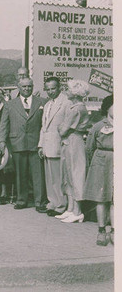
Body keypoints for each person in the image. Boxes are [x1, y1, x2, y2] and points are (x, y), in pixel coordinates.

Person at [0, 78, 47, 211]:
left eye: (29, 86)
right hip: (17, 142)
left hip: (36, 143)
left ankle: (40, 202)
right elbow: (4, 125)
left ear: (32, 87)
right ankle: (21, 200)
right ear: (18, 88)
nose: (26, 89)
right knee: (20, 173)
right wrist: (1, 141)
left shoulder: (42, 102)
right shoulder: (10, 104)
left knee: (38, 175)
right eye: (24, 87)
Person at [56, 80, 90, 223]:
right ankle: (70, 208)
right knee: (68, 173)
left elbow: (63, 129)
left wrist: (61, 127)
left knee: (76, 174)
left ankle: (78, 211)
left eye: (68, 89)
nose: (66, 91)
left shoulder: (76, 109)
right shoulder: (75, 106)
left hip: (74, 141)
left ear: (75, 93)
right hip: (70, 141)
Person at [38, 77, 71, 217]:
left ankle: (61, 205)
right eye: (48, 89)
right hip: (47, 146)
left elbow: (68, 124)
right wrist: (40, 145)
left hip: (58, 145)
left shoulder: (66, 102)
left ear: (59, 88)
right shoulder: (47, 105)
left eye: (53, 88)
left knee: (59, 178)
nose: (50, 92)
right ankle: (52, 202)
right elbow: (43, 127)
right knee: (50, 178)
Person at [83, 95, 113, 245]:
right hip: (101, 163)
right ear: (107, 108)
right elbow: (89, 147)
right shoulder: (99, 126)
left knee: (115, 199)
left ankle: (113, 231)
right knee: (101, 198)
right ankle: (101, 230)